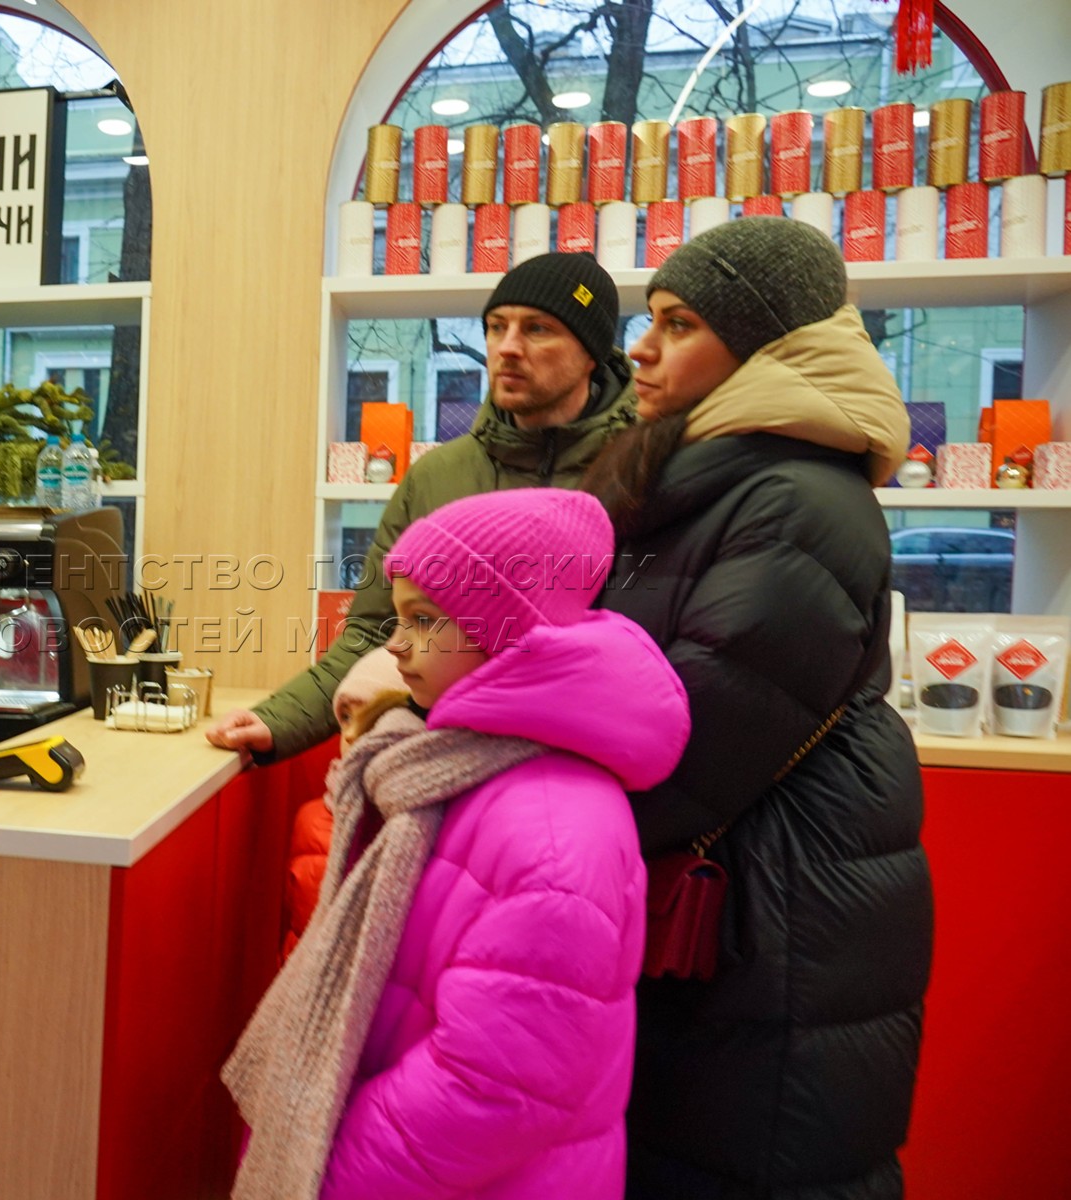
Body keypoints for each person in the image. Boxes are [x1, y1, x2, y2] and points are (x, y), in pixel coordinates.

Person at [578, 217, 931, 1200]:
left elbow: (691, 733)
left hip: (773, 913)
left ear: (765, 347)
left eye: (678, 324)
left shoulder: (795, 501)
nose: (640, 349)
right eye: (647, 320)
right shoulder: (700, 481)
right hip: (736, 899)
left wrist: (509, 800)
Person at [224, 489, 691, 1200]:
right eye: (398, 617)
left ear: (509, 633)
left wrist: (329, 1171)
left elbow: (495, 1088)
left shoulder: (550, 835)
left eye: (423, 619)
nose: (394, 644)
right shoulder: (457, 767)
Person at [208, 251, 637, 761]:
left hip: (593, 762)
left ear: (591, 353)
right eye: (496, 327)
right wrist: (277, 719)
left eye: (537, 329)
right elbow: (374, 629)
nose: (508, 347)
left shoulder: (643, 470)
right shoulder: (437, 476)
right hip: (446, 760)